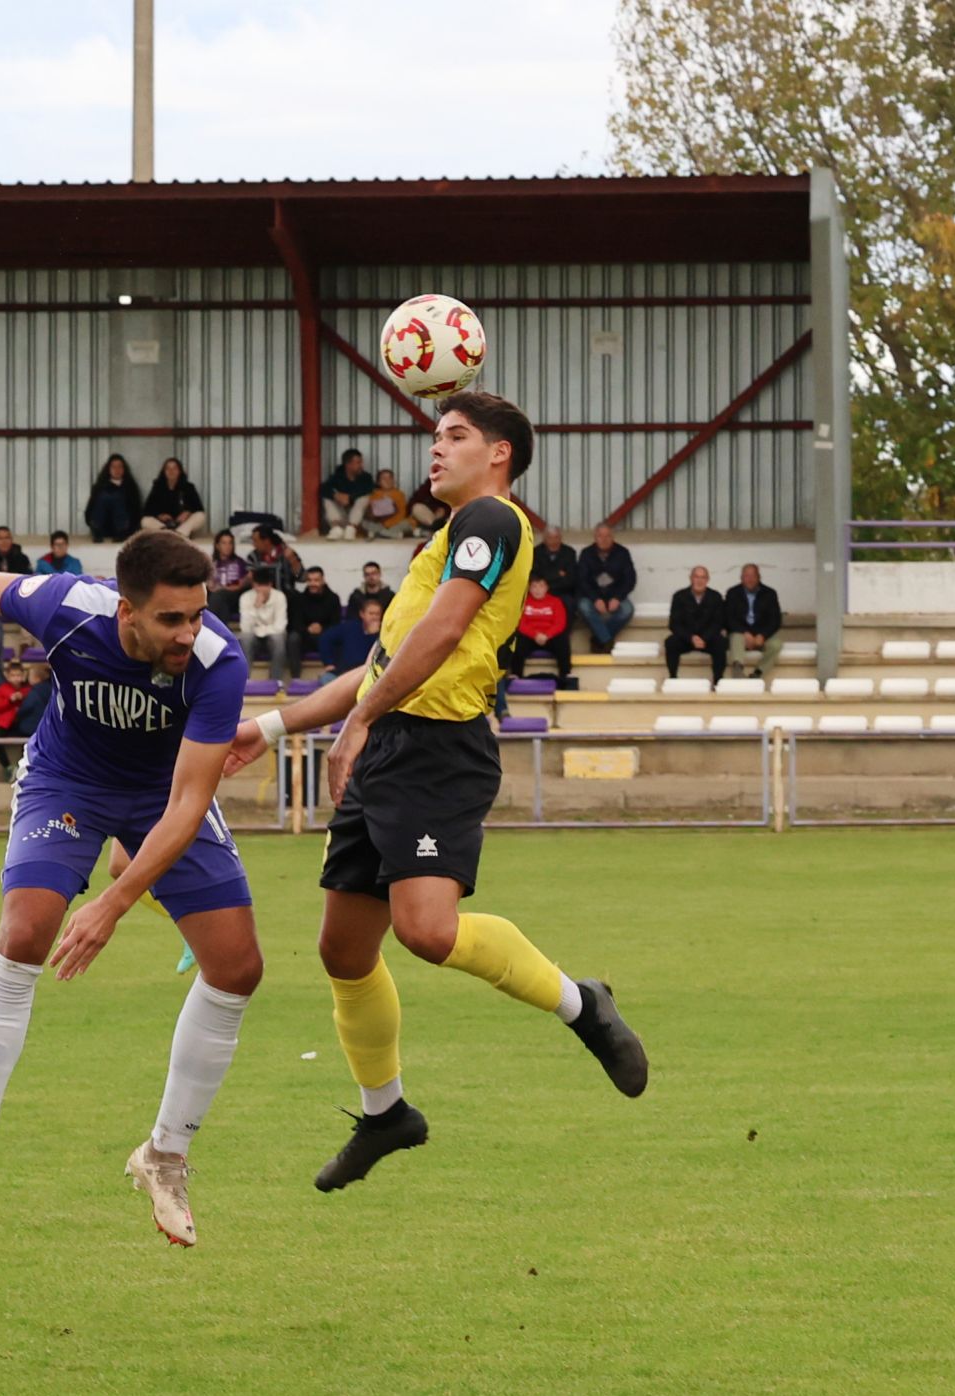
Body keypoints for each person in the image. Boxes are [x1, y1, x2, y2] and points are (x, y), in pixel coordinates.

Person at [223, 390, 647, 1193]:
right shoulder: (445, 541)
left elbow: (445, 635)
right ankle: (386, 1114)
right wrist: (276, 726)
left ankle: (581, 1004)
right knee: (342, 950)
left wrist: (358, 725)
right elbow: (383, 662)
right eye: (435, 434)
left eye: (456, 435)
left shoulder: (492, 522)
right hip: (390, 745)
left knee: (426, 931)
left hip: (435, 751)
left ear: (500, 456)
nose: (437, 448)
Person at [0, 529, 260, 1248]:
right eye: (171, 619)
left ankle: (165, 1155)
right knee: (25, 932)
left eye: (198, 613)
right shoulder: (68, 607)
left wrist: (113, 905)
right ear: (127, 610)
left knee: (239, 968)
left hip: (163, 794)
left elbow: (189, 804)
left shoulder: (218, 661)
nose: (190, 632)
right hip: (67, 783)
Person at [576, 523, 636, 653]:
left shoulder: (623, 553)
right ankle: (606, 641)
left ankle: (598, 639)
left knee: (627, 609)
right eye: (600, 536)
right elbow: (582, 580)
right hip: (592, 596)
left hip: (615, 595)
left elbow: (630, 579)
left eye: (608, 536)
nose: (604, 539)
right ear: (595, 537)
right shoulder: (586, 553)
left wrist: (618, 598)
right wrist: (595, 598)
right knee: (583, 606)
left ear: (613, 537)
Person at [665, 565, 727, 683]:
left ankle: (718, 680)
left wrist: (704, 638)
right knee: (670, 642)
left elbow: (718, 623)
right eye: (696, 577)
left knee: (721, 643)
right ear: (690, 578)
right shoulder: (679, 596)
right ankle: (673, 677)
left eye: (703, 577)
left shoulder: (715, 597)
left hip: (708, 639)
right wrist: (691, 638)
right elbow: (674, 624)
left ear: (708, 580)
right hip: (686, 638)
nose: (699, 580)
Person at [505, 575, 571, 684]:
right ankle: (516, 674)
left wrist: (547, 635)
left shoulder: (556, 601)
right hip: (530, 637)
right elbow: (520, 623)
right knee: (517, 639)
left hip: (549, 637)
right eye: (534, 587)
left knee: (562, 639)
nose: (538, 590)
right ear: (529, 588)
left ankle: (566, 674)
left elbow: (560, 623)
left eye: (541, 586)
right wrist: (535, 635)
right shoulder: (524, 602)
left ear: (546, 588)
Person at [723, 563, 784, 678]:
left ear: (759, 577)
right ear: (741, 578)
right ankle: (737, 671)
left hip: (761, 635)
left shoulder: (770, 593)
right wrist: (745, 633)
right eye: (746, 576)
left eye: (753, 576)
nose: (750, 579)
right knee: (736, 637)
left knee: (776, 644)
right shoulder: (733, 593)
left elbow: (775, 620)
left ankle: (758, 673)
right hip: (741, 634)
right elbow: (728, 618)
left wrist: (762, 635)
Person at [288, 566, 343, 678]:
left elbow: (336, 624)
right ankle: (295, 678)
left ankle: (332, 676)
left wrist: (322, 628)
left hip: (325, 636)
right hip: (305, 637)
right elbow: (295, 623)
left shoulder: (333, 598)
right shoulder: (299, 599)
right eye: (310, 580)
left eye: (316, 580)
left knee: (336, 639)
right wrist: (308, 629)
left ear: (323, 580)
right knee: (293, 638)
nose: (313, 583)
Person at [238, 566, 289, 682]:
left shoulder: (279, 597)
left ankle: (276, 682)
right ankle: (244, 681)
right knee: (245, 638)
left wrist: (260, 630)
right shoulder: (245, 598)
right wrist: (256, 607)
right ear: (254, 585)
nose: (261, 589)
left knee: (278, 639)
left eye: (264, 586)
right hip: (254, 637)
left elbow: (280, 627)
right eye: (258, 586)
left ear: (270, 585)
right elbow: (245, 628)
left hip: (272, 637)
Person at [318, 597, 385, 684]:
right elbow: (325, 638)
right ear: (362, 614)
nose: (374, 617)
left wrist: (374, 636)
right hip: (344, 673)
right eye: (371, 613)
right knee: (326, 678)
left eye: (377, 614)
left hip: (368, 676)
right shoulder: (349, 627)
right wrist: (328, 663)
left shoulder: (384, 633)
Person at [140, 457, 208, 538]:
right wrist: (160, 516)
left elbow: (199, 508)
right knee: (145, 521)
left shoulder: (188, 487)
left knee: (200, 516)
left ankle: (179, 534)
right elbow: (147, 510)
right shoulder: (157, 487)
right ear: (164, 472)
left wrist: (188, 513)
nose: (171, 471)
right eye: (168, 468)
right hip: (163, 524)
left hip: (182, 524)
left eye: (174, 468)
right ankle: (166, 533)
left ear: (179, 471)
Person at [85, 454, 144, 543]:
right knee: (104, 496)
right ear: (108, 469)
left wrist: (131, 528)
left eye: (120, 467)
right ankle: (97, 532)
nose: (117, 470)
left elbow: (136, 510)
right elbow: (90, 510)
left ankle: (121, 531)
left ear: (124, 469)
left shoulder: (131, 487)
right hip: (103, 528)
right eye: (114, 467)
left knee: (117, 497)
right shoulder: (100, 486)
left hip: (124, 529)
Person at [322, 449, 375, 540]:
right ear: (348, 464)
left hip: (358, 519)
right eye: (358, 462)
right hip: (341, 516)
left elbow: (367, 490)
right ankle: (336, 528)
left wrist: (349, 498)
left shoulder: (366, 477)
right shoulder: (336, 476)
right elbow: (323, 489)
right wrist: (336, 496)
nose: (361, 465)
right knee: (327, 498)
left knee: (364, 498)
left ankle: (351, 528)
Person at [207, 530, 249, 626]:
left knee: (219, 596)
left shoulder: (240, 563)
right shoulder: (210, 563)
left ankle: (211, 629)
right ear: (217, 546)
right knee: (218, 600)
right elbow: (208, 583)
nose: (228, 546)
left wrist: (222, 588)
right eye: (224, 543)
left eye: (230, 543)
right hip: (215, 597)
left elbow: (240, 585)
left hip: (234, 596)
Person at [245, 525, 302, 595]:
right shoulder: (253, 557)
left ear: (266, 541)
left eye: (256, 541)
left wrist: (293, 560)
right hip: (261, 596)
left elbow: (302, 578)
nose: (254, 545)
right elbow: (249, 579)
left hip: (286, 597)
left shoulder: (287, 552)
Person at [532, 524, 578, 603]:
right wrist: (557, 574)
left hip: (563, 591)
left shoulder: (570, 553)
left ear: (561, 538)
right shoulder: (536, 552)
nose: (553, 541)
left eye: (556, 537)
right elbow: (535, 575)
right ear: (544, 539)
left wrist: (546, 578)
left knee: (569, 602)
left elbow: (571, 579)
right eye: (550, 537)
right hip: (541, 591)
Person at [365, 469, 411, 538]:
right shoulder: (374, 494)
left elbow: (402, 514)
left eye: (390, 478)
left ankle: (382, 533)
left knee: (408, 523)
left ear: (393, 480)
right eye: (384, 478)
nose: (387, 481)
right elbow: (371, 515)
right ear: (378, 482)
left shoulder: (400, 494)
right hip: (380, 523)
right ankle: (390, 534)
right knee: (365, 523)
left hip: (396, 523)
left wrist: (392, 509)